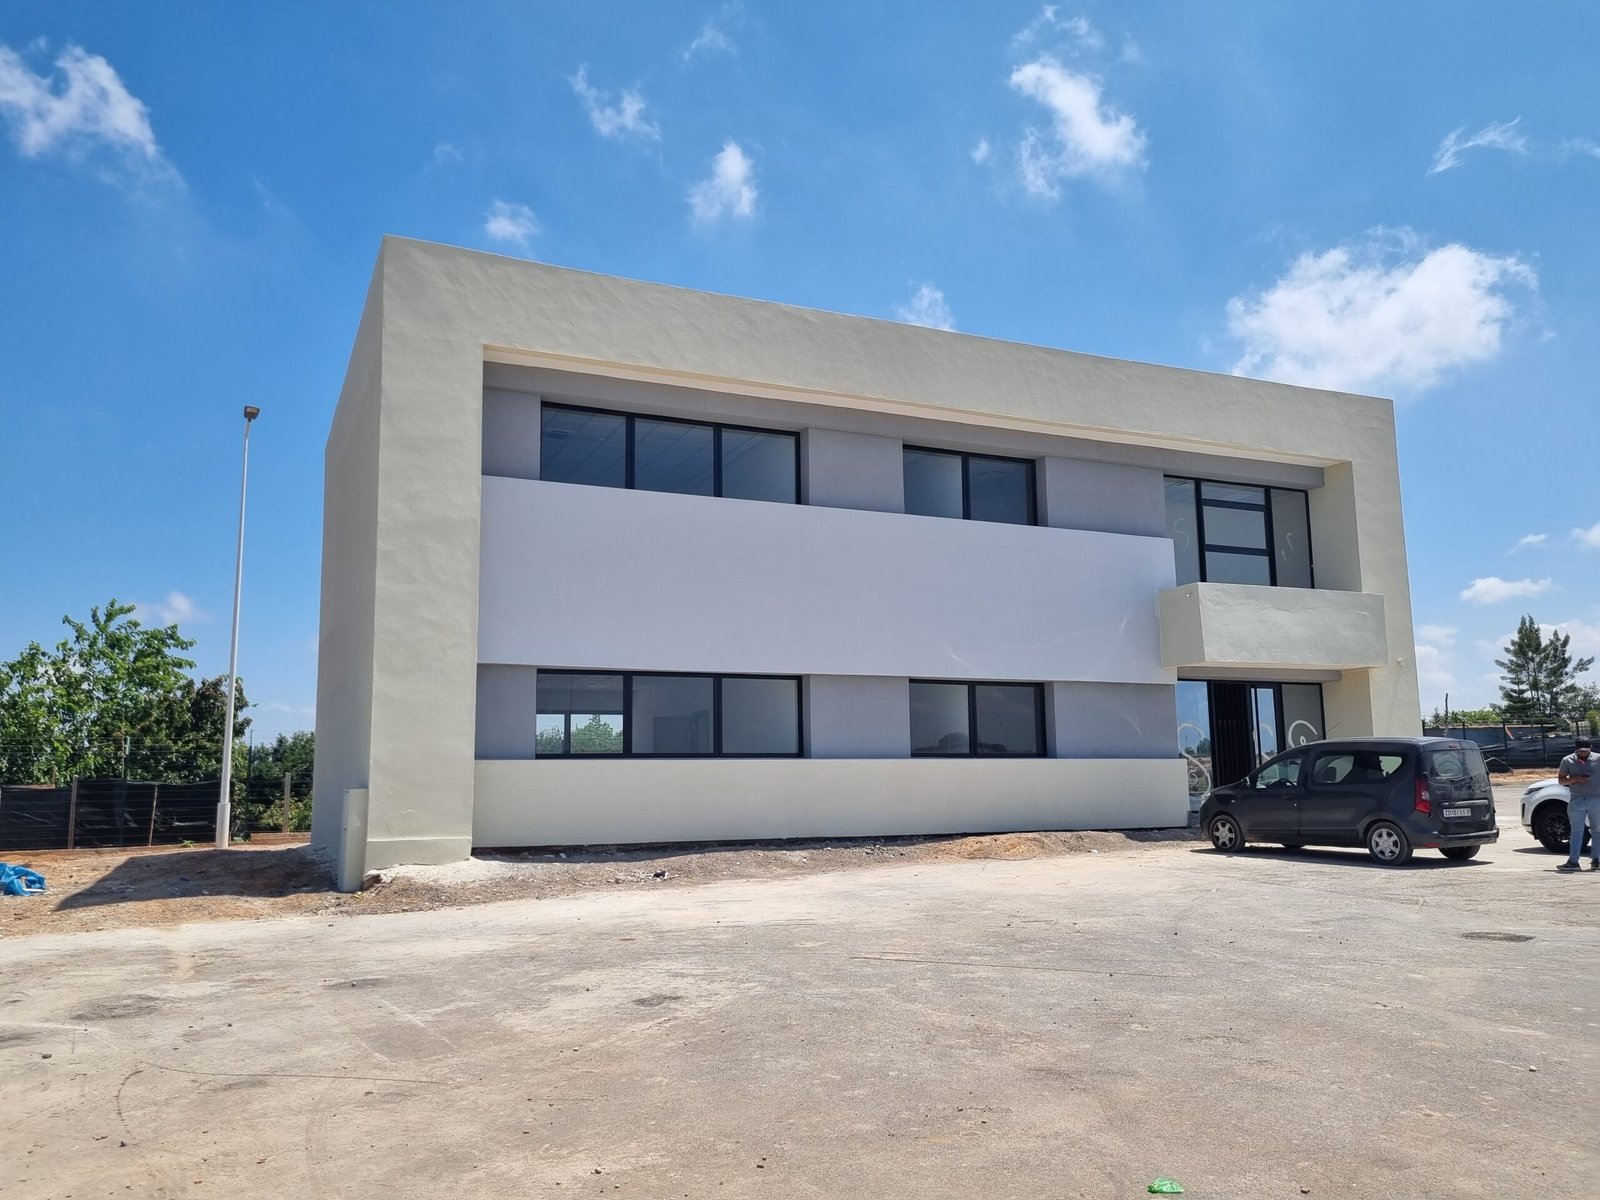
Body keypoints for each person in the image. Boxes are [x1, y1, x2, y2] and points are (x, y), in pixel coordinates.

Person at [1555, 736, 1599, 872]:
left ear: (1590, 748)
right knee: (1576, 831)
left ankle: (1597, 860)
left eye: (1586, 750)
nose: (1583, 753)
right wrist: (1576, 779)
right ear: (1576, 749)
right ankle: (1573, 861)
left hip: (1596, 799)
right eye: (1581, 751)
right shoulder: (1567, 760)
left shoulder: (1598, 759)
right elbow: (1561, 780)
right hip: (1577, 799)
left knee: (1597, 830)